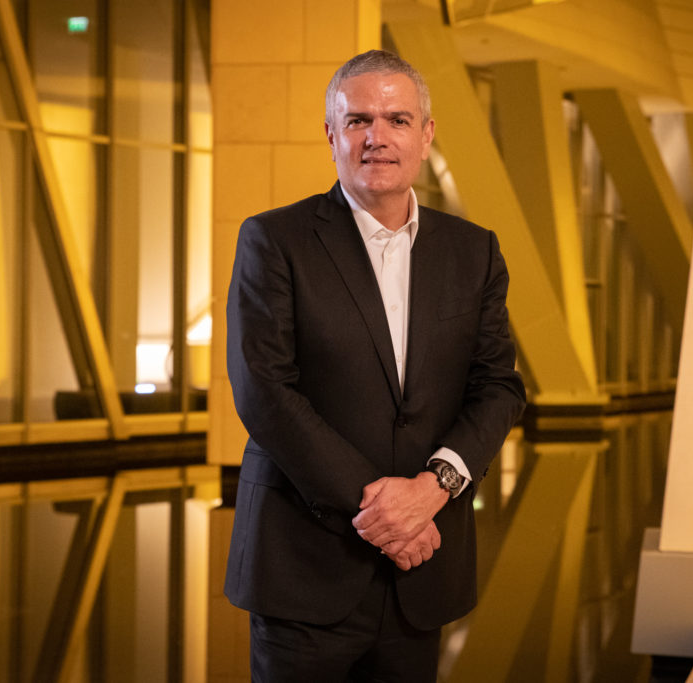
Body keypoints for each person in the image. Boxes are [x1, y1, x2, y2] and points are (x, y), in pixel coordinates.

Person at [224, 49, 527, 682]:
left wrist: (434, 488)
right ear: (331, 134)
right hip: (304, 568)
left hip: (421, 573)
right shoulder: (274, 240)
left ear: (426, 134)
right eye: (358, 120)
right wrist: (389, 514)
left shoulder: (473, 251)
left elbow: (498, 386)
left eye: (397, 119)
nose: (376, 137)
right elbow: (265, 392)